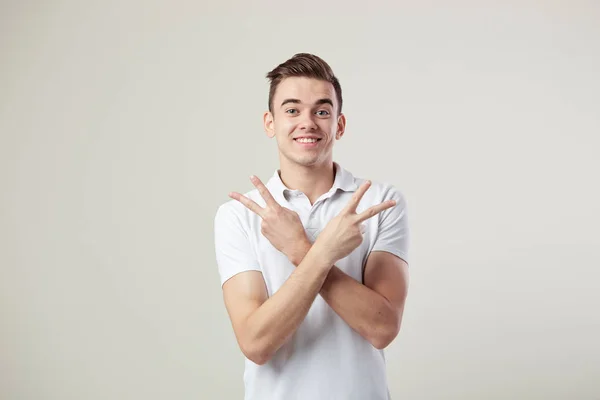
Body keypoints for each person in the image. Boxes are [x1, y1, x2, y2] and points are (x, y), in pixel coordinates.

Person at [213, 53, 410, 400]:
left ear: (340, 124)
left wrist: (301, 250)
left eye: (322, 111)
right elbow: (256, 343)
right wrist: (322, 255)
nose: (308, 122)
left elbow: (382, 328)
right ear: (270, 123)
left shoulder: (379, 202)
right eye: (292, 110)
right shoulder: (238, 215)